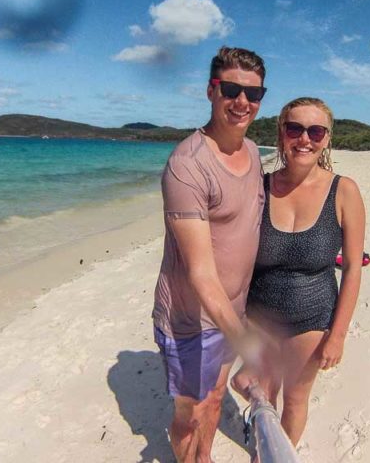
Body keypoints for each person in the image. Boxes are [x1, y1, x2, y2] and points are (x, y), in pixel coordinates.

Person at [151, 46, 268, 463]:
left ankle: (205, 457)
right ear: (210, 91)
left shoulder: (254, 153)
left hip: (232, 313)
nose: (242, 102)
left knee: (216, 398)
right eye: (231, 89)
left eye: (252, 94)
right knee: (192, 411)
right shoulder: (187, 165)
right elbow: (201, 273)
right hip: (190, 319)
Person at [232, 96, 366, 448]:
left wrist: (337, 335)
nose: (304, 139)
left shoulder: (344, 191)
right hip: (258, 317)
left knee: (294, 399)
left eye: (315, 131)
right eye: (295, 129)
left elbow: (352, 269)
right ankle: (264, 440)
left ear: (326, 139)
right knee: (263, 393)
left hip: (312, 317)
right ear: (281, 133)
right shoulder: (258, 187)